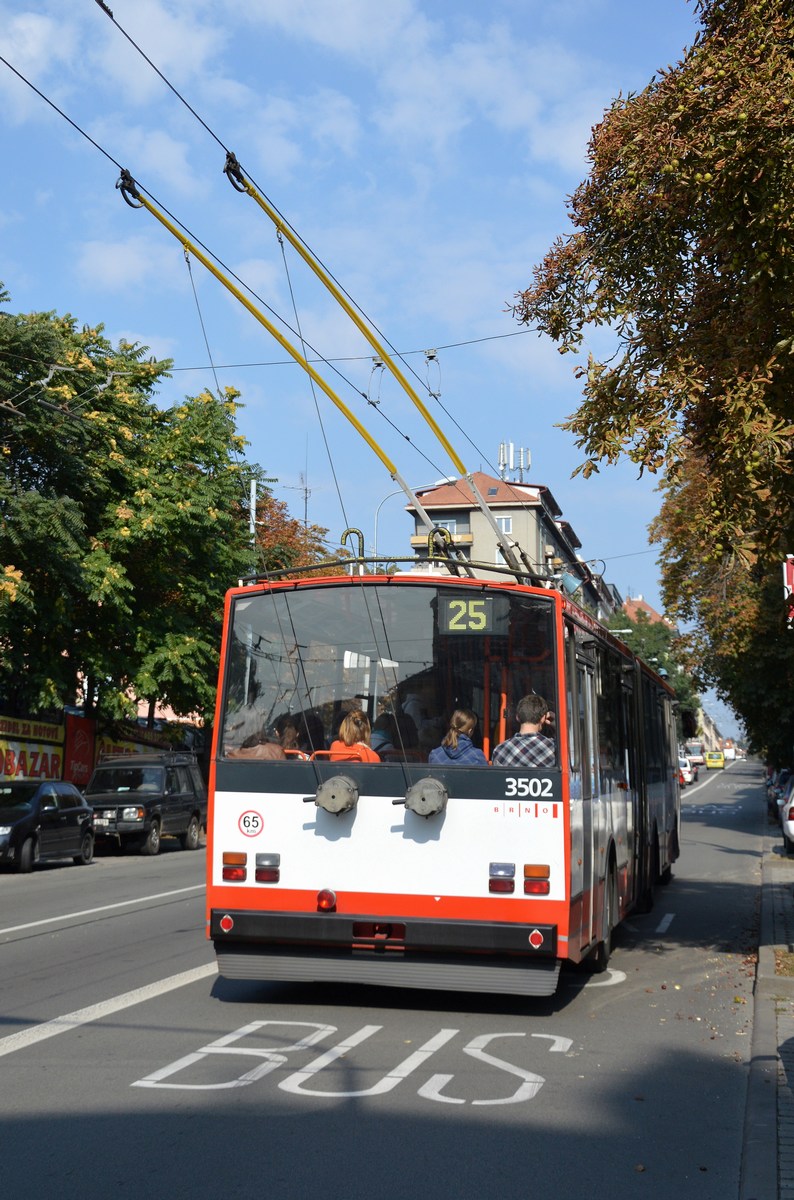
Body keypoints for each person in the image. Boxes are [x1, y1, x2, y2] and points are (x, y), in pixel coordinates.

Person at [492, 694, 556, 768]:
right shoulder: (553, 748)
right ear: (543, 719)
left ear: (517, 717)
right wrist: (558, 724)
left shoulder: (499, 750)